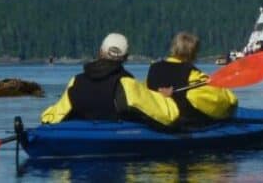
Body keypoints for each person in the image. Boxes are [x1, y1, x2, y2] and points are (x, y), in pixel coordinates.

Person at [40, 33, 181, 127]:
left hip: (84, 139)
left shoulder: (76, 81)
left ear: (100, 51)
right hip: (117, 145)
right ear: (125, 57)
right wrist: (166, 98)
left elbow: (50, 118)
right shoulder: (127, 84)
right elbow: (169, 116)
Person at [147, 32, 238, 126]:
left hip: (156, 118)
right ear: (193, 53)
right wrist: (230, 99)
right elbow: (224, 102)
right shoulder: (193, 74)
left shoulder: (154, 67)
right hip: (183, 121)